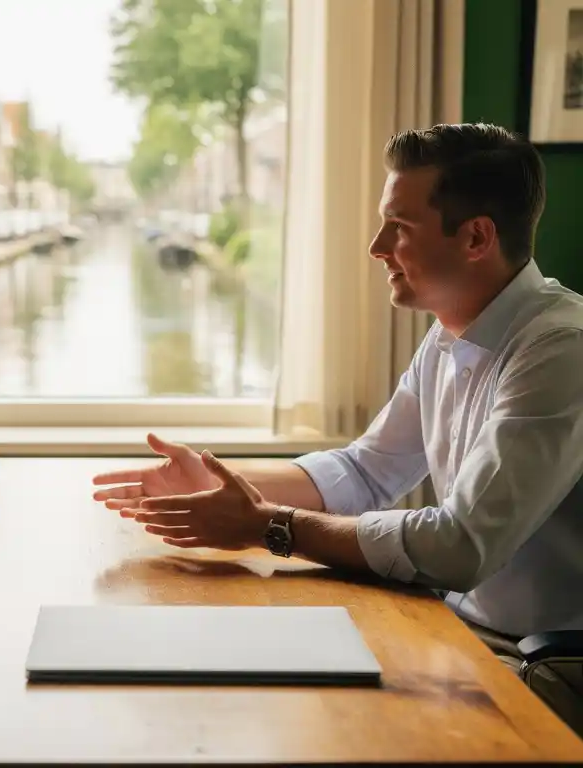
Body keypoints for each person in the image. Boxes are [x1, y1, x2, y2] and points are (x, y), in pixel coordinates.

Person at [93, 123, 583, 725]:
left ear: (476, 237)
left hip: (548, 665)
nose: (377, 246)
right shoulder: (450, 336)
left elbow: (459, 547)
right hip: (464, 628)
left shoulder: (561, 351)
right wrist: (218, 481)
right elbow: (365, 469)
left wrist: (269, 526)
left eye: (399, 228)